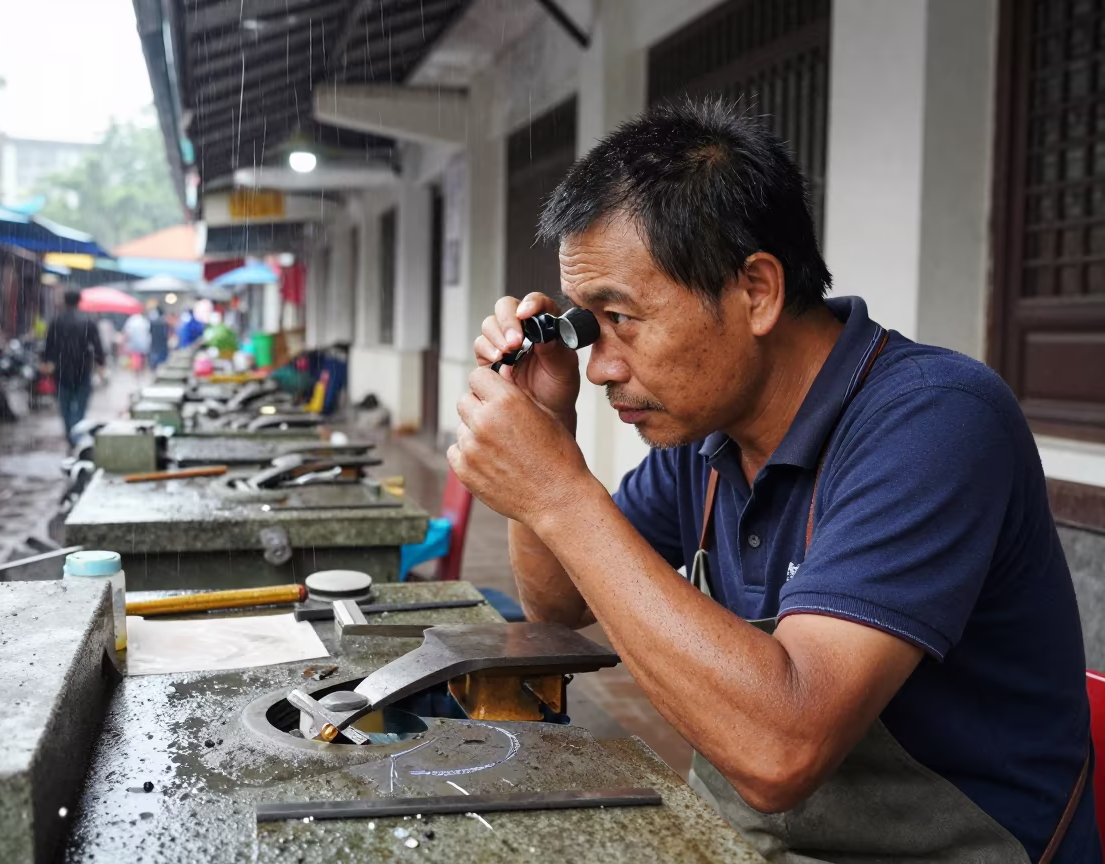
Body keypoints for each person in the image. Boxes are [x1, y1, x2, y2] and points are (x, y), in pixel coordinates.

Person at [454, 101, 1099, 863]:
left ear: (756, 291)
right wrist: (546, 427)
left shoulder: (934, 423)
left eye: (621, 318)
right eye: (588, 327)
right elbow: (559, 604)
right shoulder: (707, 439)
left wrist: (560, 491)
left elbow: (779, 752)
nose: (601, 368)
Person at [43, 288, 105, 446]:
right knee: (80, 405)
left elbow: (49, 345)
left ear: (65, 301)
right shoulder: (88, 321)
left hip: (62, 369)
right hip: (83, 367)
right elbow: (97, 345)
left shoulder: (56, 321)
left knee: (65, 404)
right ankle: (76, 432)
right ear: (79, 301)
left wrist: (47, 362)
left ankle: (70, 432)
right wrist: (101, 364)